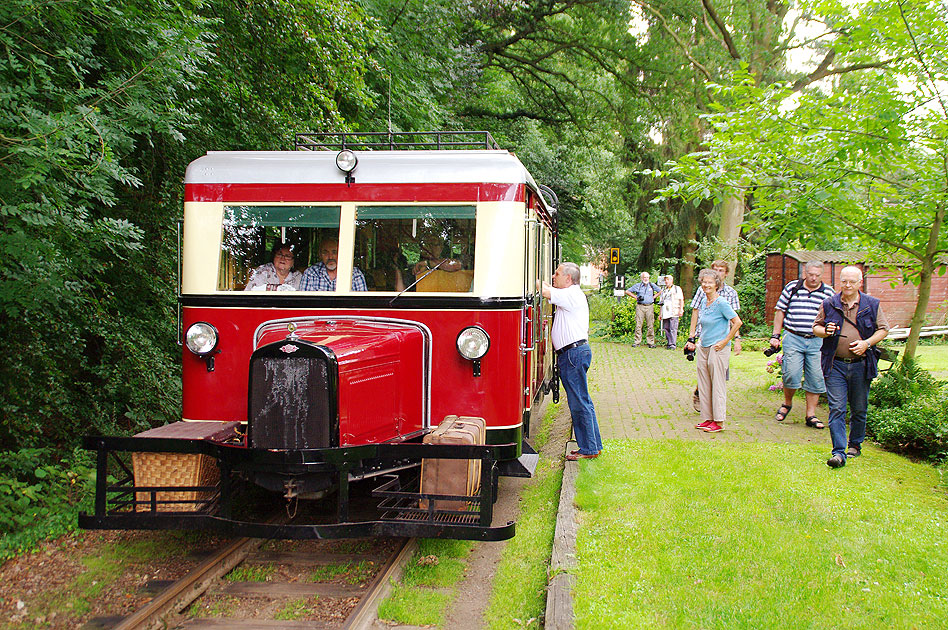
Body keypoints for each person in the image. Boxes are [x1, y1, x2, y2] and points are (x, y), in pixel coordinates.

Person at [813, 266, 889, 468]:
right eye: (844, 281)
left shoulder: (871, 304)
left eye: (851, 282)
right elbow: (816, 327)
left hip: (861, 364)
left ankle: (855, 444)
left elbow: (884, 329)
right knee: (837, 408)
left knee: (859, 408)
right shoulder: (829, 303)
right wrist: (825, 331)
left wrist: (867, 343)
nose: (847, 285)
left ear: (860, 283)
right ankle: (838, 452)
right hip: (835, 363)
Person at [540, 263, 603, 461]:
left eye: (557, 273)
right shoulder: (571, 295)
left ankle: (589, 449)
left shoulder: (571, 295)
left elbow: (543, 291)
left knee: (579, 402)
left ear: (568, 278)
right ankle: (592, 445)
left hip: (573, 354)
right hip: (573, 354)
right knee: (582, 400)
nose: (553, 276)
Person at [770, 261, 835, 427]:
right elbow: (780, 311)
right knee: (791, 373)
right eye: (810, 274)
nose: (813, 278)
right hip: (793, 336)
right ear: (804, 273)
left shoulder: (828, 292)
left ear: (822, 275)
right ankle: (787, 403)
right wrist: (775, 335)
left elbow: (833, 317)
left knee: (815, 376)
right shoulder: (792, 287)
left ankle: (811, 415)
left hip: (817, 340)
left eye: (817, 275)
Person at [684, 268, 742, 433]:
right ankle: (707, 418)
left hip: (718, 348)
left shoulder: (721, 302)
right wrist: (696, 339)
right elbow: (701, 322)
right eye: (704, 282)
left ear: (716, 284)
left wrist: (726, 341)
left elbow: (737, 322)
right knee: (704, 384)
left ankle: (719, 421)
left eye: (709, 282)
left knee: (717, 384)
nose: (706, 285)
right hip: (704, 346)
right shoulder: (704, 301)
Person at [299, 237, 367, 291]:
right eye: (325, 253)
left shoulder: (354, 274)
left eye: (334, 252)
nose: (330, 257)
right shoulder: (311, 273)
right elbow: (304, 304)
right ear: (320, 255)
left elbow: (363, 304)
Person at [625, 272, 662, 348]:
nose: (646, 279)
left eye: (647, 277)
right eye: (644, 277)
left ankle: (650, 342)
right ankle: (637, 341)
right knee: (638, 324)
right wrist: (635, 297)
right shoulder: (638, 286)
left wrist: (654, 297)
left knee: (650, 324)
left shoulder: (652, 285)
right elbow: (627, 291)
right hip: (640, 306)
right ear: (641, 278)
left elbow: (660, 291)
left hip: (649, 306)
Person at [659, 274, 685, 349]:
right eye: (665, 280)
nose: (666, 281)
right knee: (666, 328)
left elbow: (681, 299)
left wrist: (681, 309)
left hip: (674, 311)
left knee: (673, 328)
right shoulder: (664, 290)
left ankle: (673, 344)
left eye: (668, 280)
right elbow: (661, 303)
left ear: (671, 280)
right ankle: (669, 343)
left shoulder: (677, 288)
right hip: (665, 312)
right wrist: (660, 314)